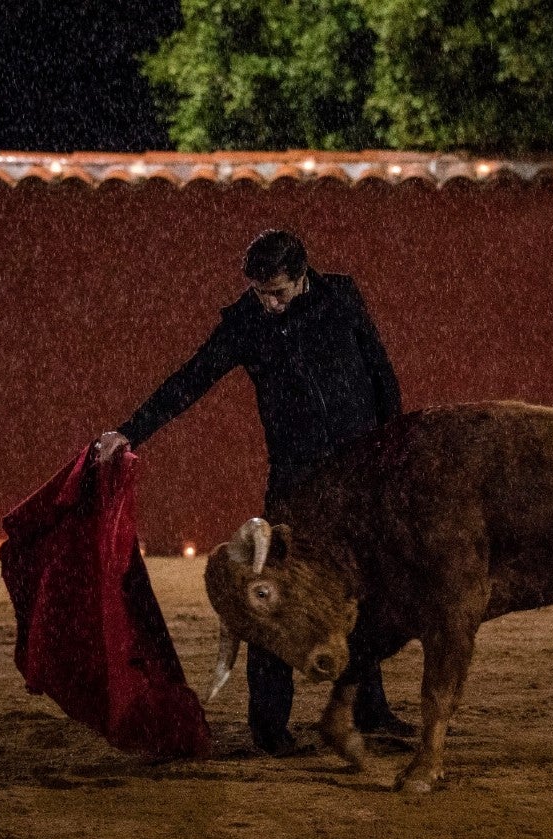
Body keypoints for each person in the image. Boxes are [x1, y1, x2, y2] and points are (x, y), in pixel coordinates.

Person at [94, 229, 414, 755]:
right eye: (262, 294)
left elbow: (380, 371)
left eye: (279, 294)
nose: (270, 304)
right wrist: (132, 430)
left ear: (304, 275)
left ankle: (368, 710)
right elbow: (190, 379)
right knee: (272, 589)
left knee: (361, 587)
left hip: (359, 469)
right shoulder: (246, 320)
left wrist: (391, 448)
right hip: (296, 475)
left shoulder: (341, 296)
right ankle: (269, 728)